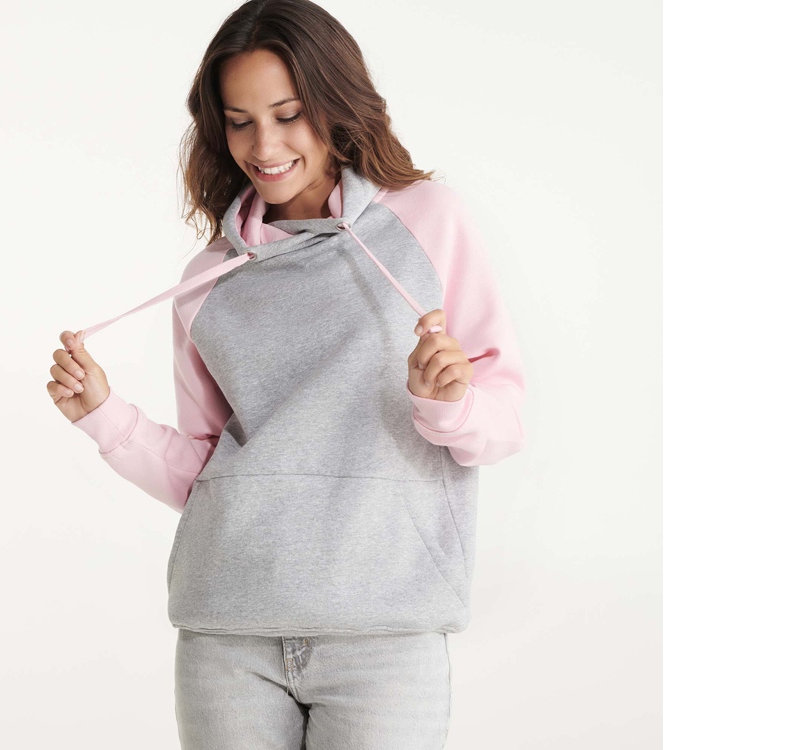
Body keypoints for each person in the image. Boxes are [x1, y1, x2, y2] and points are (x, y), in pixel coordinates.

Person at [46, 1, 526, 747]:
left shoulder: (429, 222)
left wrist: (451, 405)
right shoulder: (207, 279)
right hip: (227, 635)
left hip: (384, 637)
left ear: (336, 103)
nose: (263, 146)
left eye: (288, 114)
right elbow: (209, 469)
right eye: (239, 121)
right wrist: (106, 417)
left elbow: (505, 420)